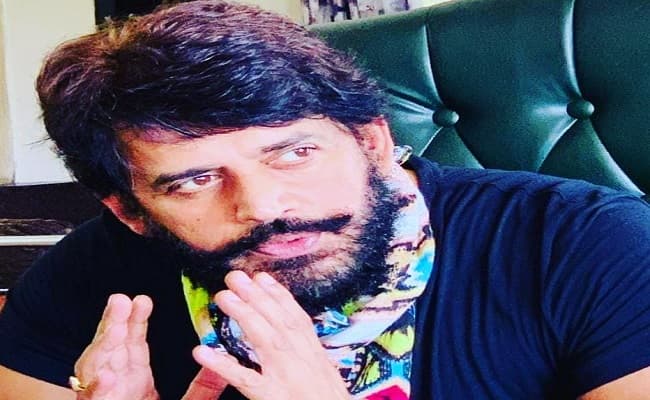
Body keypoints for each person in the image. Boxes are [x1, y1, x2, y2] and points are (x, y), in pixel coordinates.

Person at [1, 1, 650, 399]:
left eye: (294, 152)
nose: (264, 205)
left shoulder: (592, 243)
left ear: (372, 142)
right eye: (193, 181)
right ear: (131, 212)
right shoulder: (96, 274)